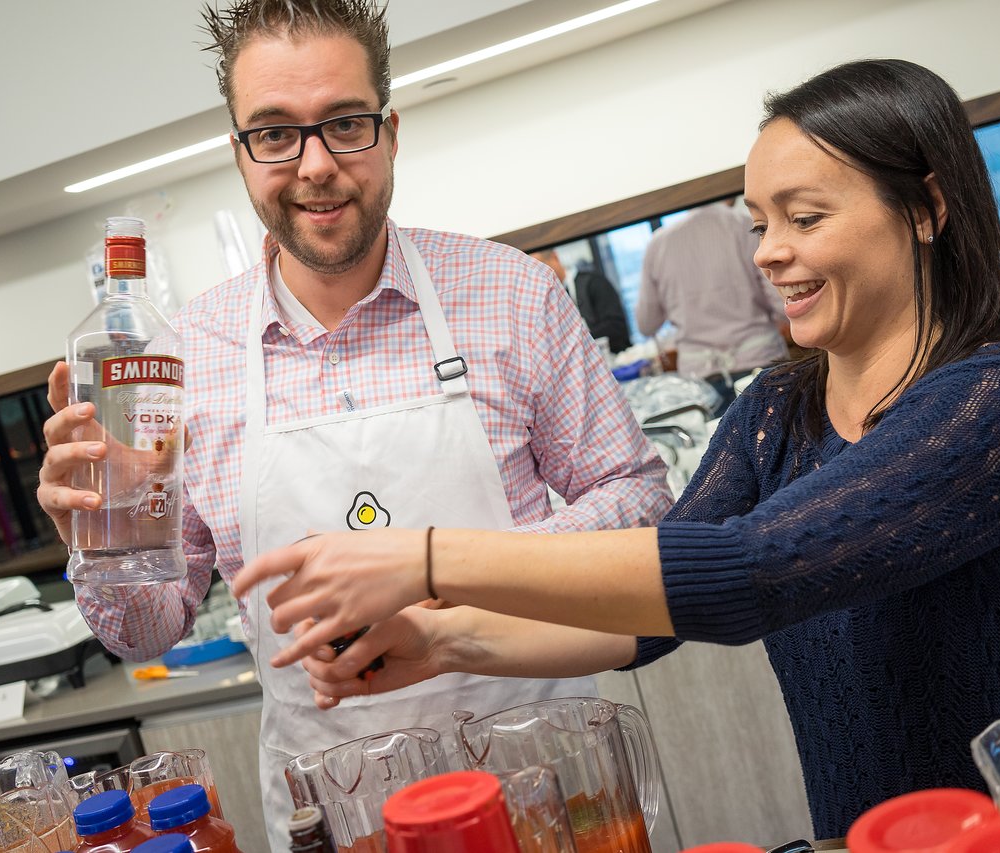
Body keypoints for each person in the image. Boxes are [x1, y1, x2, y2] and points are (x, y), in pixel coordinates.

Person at [232, 59, 1000, 841]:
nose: (771, 253)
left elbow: (748, 568)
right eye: (759, 221)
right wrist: (442, 641)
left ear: (925, 208)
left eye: (804, 217)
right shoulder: (778, 411)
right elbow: (644, 615)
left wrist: (424, 561)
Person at [35, 0, 672, 844]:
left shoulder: (511, 294)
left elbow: (638, 504)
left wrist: (444, 572)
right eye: (275, 133)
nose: (315, 164)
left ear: (391, 132)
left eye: (345, 124)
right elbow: (150, 628)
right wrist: (107, 535)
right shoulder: (185, 357)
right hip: (341, 811)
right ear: (240, 152)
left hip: (544, 791)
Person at [637, 198, 789, 382]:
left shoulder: (658, 244)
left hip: (699, 375)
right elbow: (782, 303)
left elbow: (646, 324)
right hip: (761, 360)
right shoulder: (747, 227)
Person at [529, 249, 632, 353]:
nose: (538, 274)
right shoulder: (545, 302)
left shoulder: (593, 283)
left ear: (554, 257)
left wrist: (575, 339)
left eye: (540, 267)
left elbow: (616, 326)